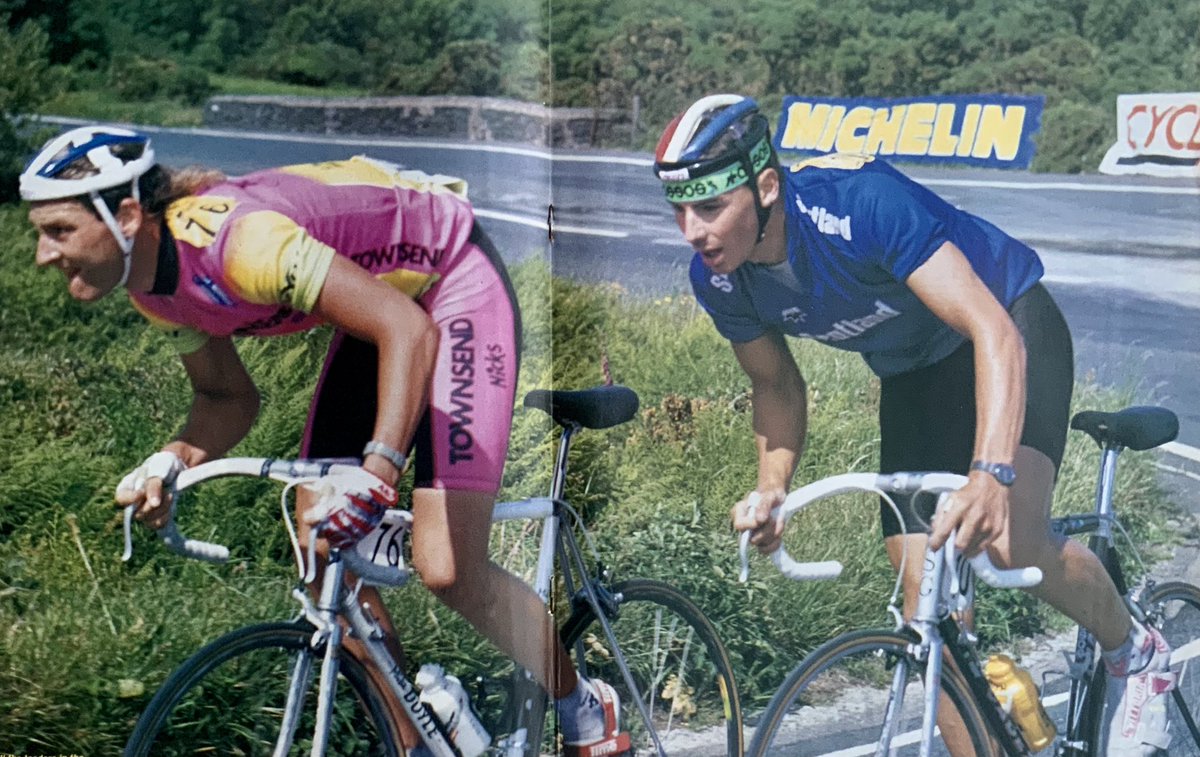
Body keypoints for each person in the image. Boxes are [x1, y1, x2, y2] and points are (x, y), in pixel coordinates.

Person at [18, 125, 628, 757]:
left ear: (125, 215)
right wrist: (170, 461)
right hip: (386, 312)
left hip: (449, 282)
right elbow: (227, 398)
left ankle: (582, 706)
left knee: (446, 566)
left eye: (59, 231)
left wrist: (377, 471)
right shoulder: (153, 291)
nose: (42, 253)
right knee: (320, 543)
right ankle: (416, 736)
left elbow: (410, 333)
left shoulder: (240, 246)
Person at [654, 94, 1175, 757]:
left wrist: (990, 473)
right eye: (678, 209)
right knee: (922, 600)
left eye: (709, 206)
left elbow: (993, 333)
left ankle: (1137, 651)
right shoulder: (720, 280)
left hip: (1009, 326)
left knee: (1011, 539)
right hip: (916, 372)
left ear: (765, 186)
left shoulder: (859, 207)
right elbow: (775, 384)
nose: (692, 231)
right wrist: (771, 486)